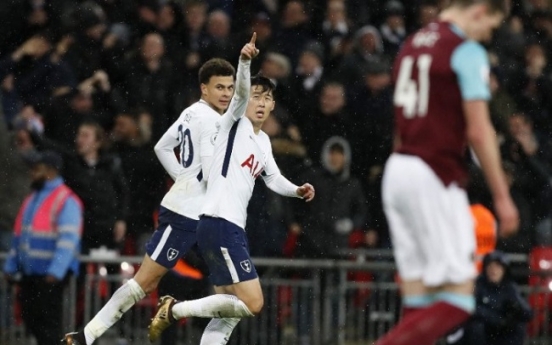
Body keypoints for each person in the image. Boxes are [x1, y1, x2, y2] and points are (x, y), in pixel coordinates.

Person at [147, 33, 315, 344]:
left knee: (228, 313)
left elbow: (273, 178)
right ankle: (175, 310)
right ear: (244, 99)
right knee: (253, 303)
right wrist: (244, 62)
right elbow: (238, 93)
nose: (261, 103)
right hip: (220, 223)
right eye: (255, 96)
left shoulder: (262, 141)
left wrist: (297, 190)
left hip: (227, 226)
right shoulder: (233, 123)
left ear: (274, 104)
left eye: (267, 98)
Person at [61, 56, 237, 345]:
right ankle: (86, 336)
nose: (226, 94)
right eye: (220, 87)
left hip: (203, 215)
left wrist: (184, 177)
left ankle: (88, 336)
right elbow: (209, 168)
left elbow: (162, 146)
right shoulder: (212, 121)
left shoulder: (192, 113)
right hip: (185, 214)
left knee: (232, 290)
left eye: (230, 88)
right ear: (203, 88)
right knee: (147, 282)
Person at [377, 1, 519, 344]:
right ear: (480, 9)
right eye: (491, 26)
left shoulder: (410, 45)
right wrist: (502, 196)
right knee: (457, 302)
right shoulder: (465, 52)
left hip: (399, 169)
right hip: (434, 172)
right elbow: (479, 130)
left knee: (419, 302)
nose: (487, 35)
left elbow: (400, 124)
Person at [3, 150, 83, 345]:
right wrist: (10, 267)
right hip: (31, 274)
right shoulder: (33, 198)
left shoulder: (65, 199)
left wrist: (56, 271)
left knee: (48, 327)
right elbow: (19, 237)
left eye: (36, 169)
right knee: (33, 323)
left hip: (48, 277)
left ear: (50, 171)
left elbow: (68, 240)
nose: (32, 173)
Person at [446, 251, 533, 345]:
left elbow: (527, 312)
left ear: (504, 270)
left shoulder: (509, 287)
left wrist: (517, 311)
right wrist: (495, 318)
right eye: (490, 266)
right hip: (482, 329)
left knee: (518, 327)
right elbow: (472, 308)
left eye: (498, 267)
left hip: (500, 333)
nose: (493, 270)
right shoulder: (478, 285)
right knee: (476, 327)